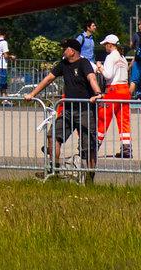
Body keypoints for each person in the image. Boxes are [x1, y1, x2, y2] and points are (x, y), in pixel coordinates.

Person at [28, 38, 100, 181]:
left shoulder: (84, 63)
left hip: (85, 111)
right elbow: (48, 79)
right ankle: (53, 171)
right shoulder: (63, 64)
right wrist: (32, 94)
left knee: (89, 146)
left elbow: (91, 78)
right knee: (52, 136)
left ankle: (90, 178)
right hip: (68, 110)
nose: (63, 51)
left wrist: (98, 93)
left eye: (64, 48)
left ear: (72, 51)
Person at [94, 33, 133, 158]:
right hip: (125, 90)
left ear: (110, 45)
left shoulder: (110, 57)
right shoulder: (122, 58)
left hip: (113, 90)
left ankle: (94, 145)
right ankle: (126, 148)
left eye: (106, 44)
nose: (105, 46)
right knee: (124, 120)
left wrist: (100, 67)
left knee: (103, 118)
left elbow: (108, 75)